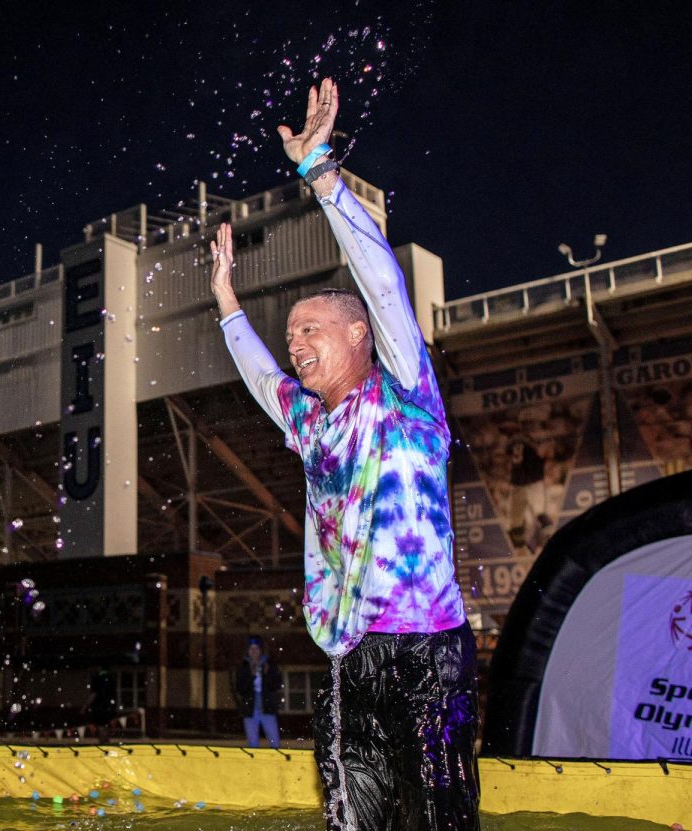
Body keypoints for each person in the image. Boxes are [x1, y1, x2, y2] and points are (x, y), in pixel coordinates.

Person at [209, 77, 479, 830]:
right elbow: (262, 378)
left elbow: (385, 285)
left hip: (428, 653)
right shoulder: (311, 421)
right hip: (348, 654)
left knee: (437, 814)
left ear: (359, 334)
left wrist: (320, 170)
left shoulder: (405, 391)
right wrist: (228, 301)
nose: (295, 343)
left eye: (310, 328)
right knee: (350, 817)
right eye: (291, 332)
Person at [232, 636, 283, 749]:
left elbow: (276, 685)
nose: (254, 652)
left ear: (260, 651)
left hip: (267, 709)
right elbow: (241, 689)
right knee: (253, 744)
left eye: (256, 649)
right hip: (250, 711)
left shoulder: (269, 665)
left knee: (275, 743)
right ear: (248, 651)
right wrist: (251, 675)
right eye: (251, 649)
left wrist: (266, 674)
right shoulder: (243, 668)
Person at [86, 665, 118, 743]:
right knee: (104, 729)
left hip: (101, 710)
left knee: (103, 729)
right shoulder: (109, 680)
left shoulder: (99, 680)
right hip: (105, 709)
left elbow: (94, 695)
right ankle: (105, 740)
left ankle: (104, 741)